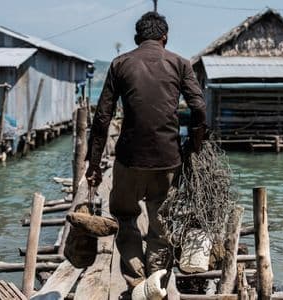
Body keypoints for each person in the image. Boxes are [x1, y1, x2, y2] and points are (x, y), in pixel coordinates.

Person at [85, 11, 206, 298]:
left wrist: (93, 164)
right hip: (168, 159)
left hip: (129, 159)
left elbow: (102, 117)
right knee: (161, 220)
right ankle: (156, 278)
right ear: (165, 37)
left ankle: (136, 278)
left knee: (125, 216)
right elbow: (199, 108)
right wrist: (196, 146)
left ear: (138, 38)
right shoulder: (180, 63)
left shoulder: (120, 64)